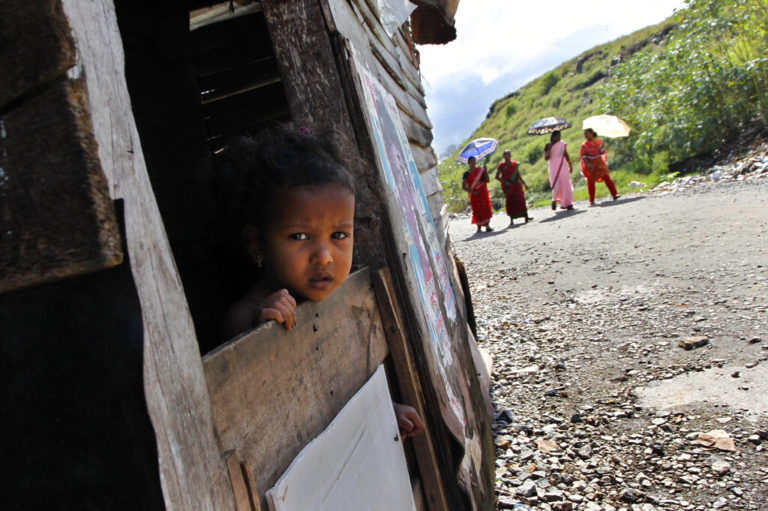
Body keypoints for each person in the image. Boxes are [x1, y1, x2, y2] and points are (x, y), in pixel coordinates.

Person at [218, 127, 425, 439]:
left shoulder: (343, 303)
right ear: (256, 242)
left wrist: (384, 411)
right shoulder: (245, 314)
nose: (325, 257)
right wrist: (260, 327)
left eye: (339, 235)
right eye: (299, 236)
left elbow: (338, 385)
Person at [580, 128, 620, 206]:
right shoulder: (584, 145)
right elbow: (584, 156)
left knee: (606, 177)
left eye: (587, 133)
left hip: (599, 163)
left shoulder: (598, 142)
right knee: (591, 182)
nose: (585, 135)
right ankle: (591, 200)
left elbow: (602, 152)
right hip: (590, 164)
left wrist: (603, 146)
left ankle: (614, 194)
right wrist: (588, 165)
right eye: (585, 134)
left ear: (591, 133)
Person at [495, 150, 532, 226]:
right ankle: (511, 219)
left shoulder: (515, 164)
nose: (507, 156)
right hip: (508, 186)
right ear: (503, 156)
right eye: (506, 155)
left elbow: (518, 175)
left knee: (521, 200)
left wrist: (524, 184)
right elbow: (497, 176)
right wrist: (505, 182)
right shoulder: (501, 165)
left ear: (511, 155)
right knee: (510, 202)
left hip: (516, 185)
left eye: (509, 154)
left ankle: (526, 216)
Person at [544, 130, 574, 211]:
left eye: (560, 136)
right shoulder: (548, 145)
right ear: (553, 137)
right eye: (557, 136)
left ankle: (568, 203)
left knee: (566, 183)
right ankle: (554, 199)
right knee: (556, 185)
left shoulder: (562, 144)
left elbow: (565, 154)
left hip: (562, 166)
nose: (559, 138)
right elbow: (546, 158)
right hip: (553, 168)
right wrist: (549, 150)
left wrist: (570, 165)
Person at [461, 156, 493, 232]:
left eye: (474, 161)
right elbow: (463, 186)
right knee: (477, 209)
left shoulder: (480, 171)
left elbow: (487, 180)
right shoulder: (466, 174)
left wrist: (485, 171)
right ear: (468, 163)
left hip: (482, 193)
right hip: (474, 195)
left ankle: (487, 226)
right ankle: (479, 227)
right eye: (471, 161)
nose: (473, 163)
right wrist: (473, 192)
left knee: (485, 208)